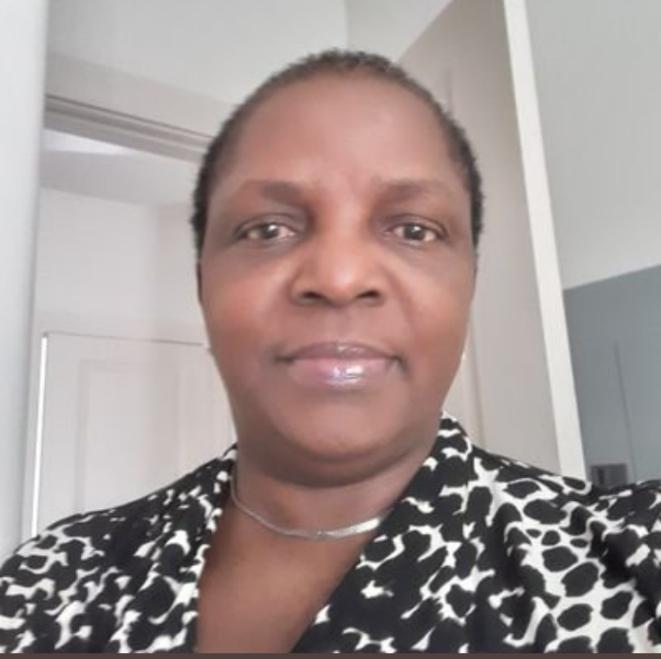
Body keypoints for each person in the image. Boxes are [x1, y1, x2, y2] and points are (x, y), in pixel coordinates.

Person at [1, 49, 660, 653]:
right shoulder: (45, 583)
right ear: (203, 286)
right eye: (266, 228)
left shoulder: (632, 559)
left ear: (468, 284)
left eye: (413, 229)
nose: (340, 277)